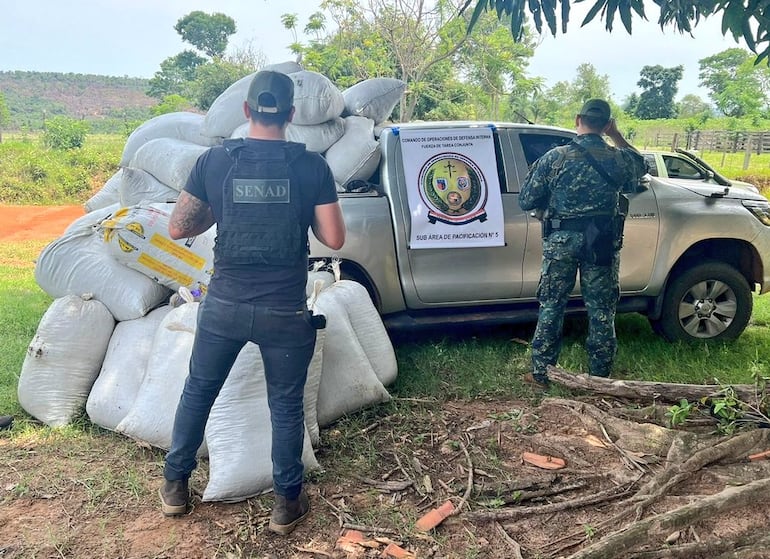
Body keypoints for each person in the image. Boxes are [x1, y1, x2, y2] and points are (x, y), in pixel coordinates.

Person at [158, 70, 346, 535]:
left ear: (245, 112)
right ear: (292, 115)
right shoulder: (312, 168)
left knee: (199, 391)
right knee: (284, 407)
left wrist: (222, 206)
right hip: (284, 310)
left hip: (224, 306)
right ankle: (286, 503)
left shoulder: (214, 162)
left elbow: (178, 228)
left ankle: (176, 486)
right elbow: (335, 239)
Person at [518, 99, 646, 387]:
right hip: (601, 241)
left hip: (561, 241)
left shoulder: (556, 158)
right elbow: (641, 166)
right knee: (601, 309)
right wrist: (617, 136)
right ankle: (600, 377)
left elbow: (526, 200)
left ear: (578, 119)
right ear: (607, 124)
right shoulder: (618, 158)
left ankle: (542, 373)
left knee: (552, 306)